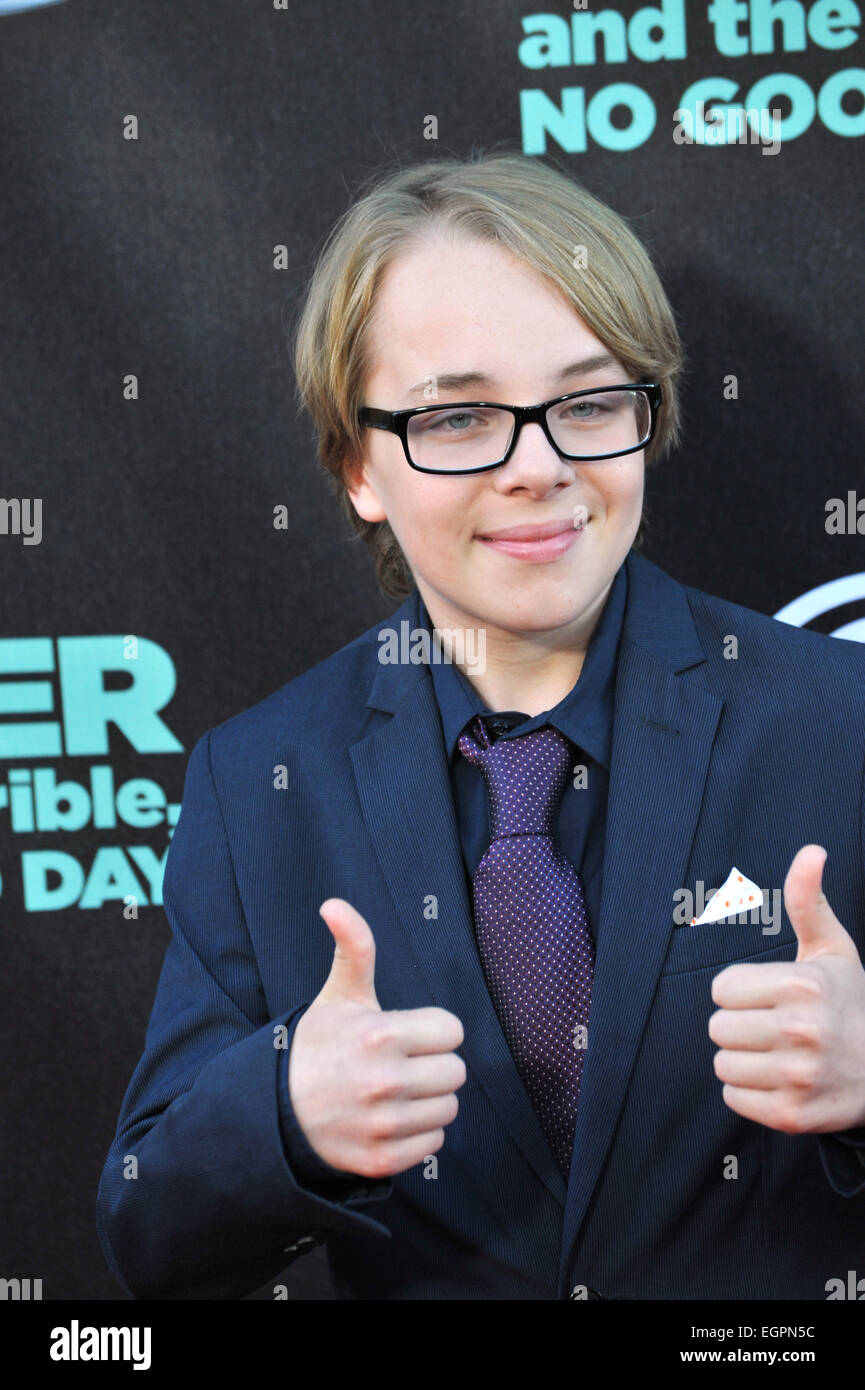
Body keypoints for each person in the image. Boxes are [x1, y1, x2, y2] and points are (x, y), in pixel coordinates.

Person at [96, 150, 865, 1301]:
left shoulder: (839, 721)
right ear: (358, 464)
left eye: (589, 401)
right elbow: (148, 1232)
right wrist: (286, 1115)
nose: (540, 466)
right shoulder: (261, 779)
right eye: (457, 417)